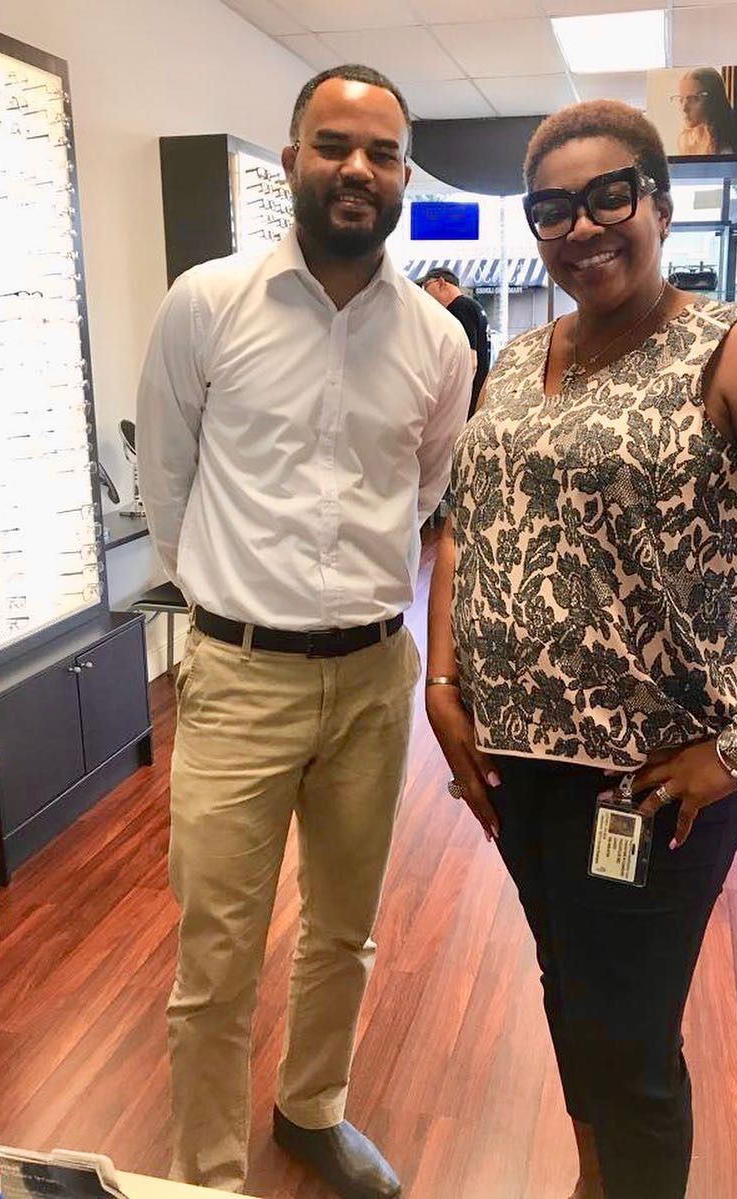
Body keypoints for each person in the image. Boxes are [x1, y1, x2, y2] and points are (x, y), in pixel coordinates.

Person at [425, 99, 737, 1199]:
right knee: (569, 987)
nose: (581, 227)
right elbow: (465, 520)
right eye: (553, 208)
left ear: (658, 202)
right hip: (513, 768)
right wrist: (440, 677)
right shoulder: (513, 359)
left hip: (650, 787)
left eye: (608, 197)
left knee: (628, 1032)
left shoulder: (730, 346)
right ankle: (595, 1177)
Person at [137, 64, 472, 1199]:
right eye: (333, 145)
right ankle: (204, 1174)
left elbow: (424, 493)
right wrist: (232, 608)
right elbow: (166, 484)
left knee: (345, 927)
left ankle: (311, 1108)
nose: (356, 170)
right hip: (238, 677)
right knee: (216, 953)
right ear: (290, 161)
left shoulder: (437, 342)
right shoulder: (207, 303)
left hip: (375, 678)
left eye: (380, 153)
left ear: (403, 177)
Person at [419, 268, 491, 418]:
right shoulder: (474, 306)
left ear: (441, 282)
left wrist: (456, 399)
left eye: (427, 288)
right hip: (478, 392)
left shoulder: (458, 308)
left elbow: (471, 361)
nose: (426, 296)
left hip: (466, 399)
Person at [673, 67, 734, 155]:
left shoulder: (726, 146)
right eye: (681, 99)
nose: (684, 109)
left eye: (693, 99)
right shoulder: (686, 140)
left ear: (713, 99)